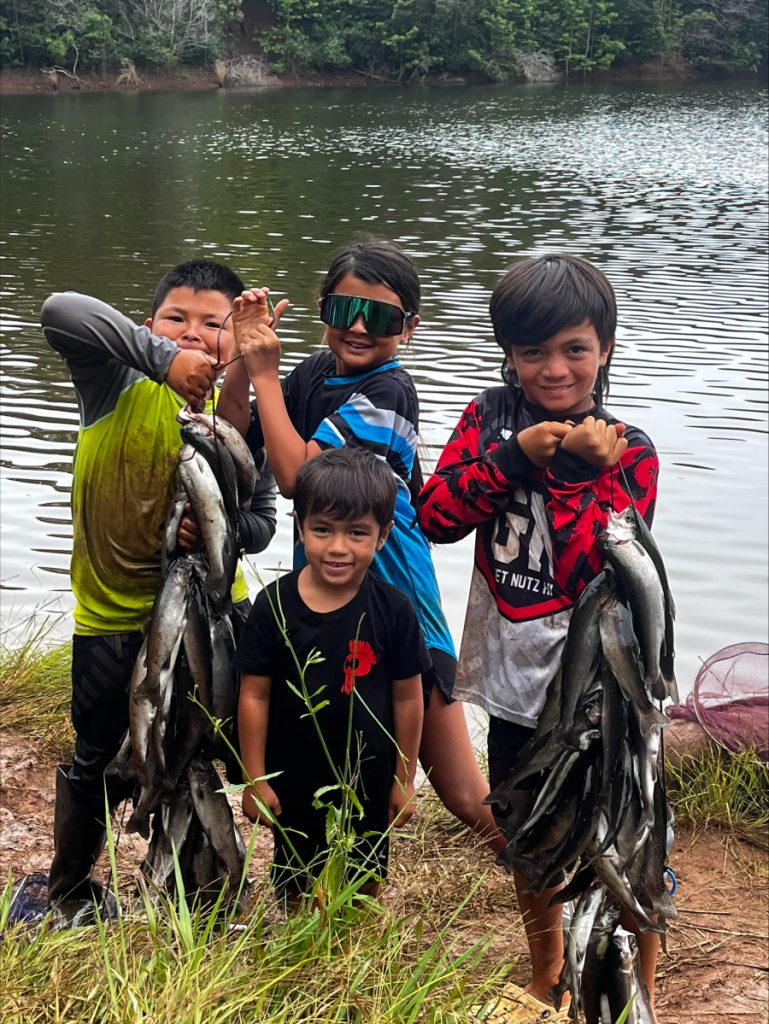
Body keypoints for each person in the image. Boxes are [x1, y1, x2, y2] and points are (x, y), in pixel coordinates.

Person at [416, 253, 660, 1005]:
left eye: (574, 349)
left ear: (605, 349)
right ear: (508, 355)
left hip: (602, 691)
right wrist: (512, 457)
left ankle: (640, 987)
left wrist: (574, 472)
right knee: (527, 832)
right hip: (513, 675)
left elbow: (596, 566)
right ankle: (546, 969)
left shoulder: (630, 450)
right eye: (532, 352)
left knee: (628, 840)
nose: (553, 369)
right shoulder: (486, 421)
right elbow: (435, 516)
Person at [217, 240, 504, 855]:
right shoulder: (314, 375)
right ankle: (330, 881)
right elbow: (237, 429)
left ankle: (546, 869)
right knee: (331, 757)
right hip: (327, 594)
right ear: (323, 307)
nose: (355, 327)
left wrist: (266, 373)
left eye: (379, 317)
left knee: (459, 789)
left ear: (409, 328)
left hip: (396, 600)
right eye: (343, 308)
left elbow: (300, 479)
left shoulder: (391, 395)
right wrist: (244, 359)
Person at [41, 259, 278, 915]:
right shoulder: (111, 381)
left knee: (191, 756)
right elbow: (60, 307)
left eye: (214, 324)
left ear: (236, 342)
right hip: (110, 624)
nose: (194, 333)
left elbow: (259, 523)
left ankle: (193, 889)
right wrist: (161, 361)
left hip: (201, 629)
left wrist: (212, 528)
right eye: (176, 319)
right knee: (96, 754)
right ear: (146, 328)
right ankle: (70, 888)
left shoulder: (241, 421)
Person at [236, 447, 427, 901]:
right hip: (292, 776)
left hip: (368, 778)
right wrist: (255, 777)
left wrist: (404, 778)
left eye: (357, 532)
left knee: (362, 882)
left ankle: (347, 957)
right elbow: (254, 696)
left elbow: (407, 698)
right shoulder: (273, 606)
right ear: (300, 528)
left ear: (384, 535)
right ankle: (302, 955)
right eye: (322, 529)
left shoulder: (395, 611)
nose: (338, 547)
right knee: (295, 883)